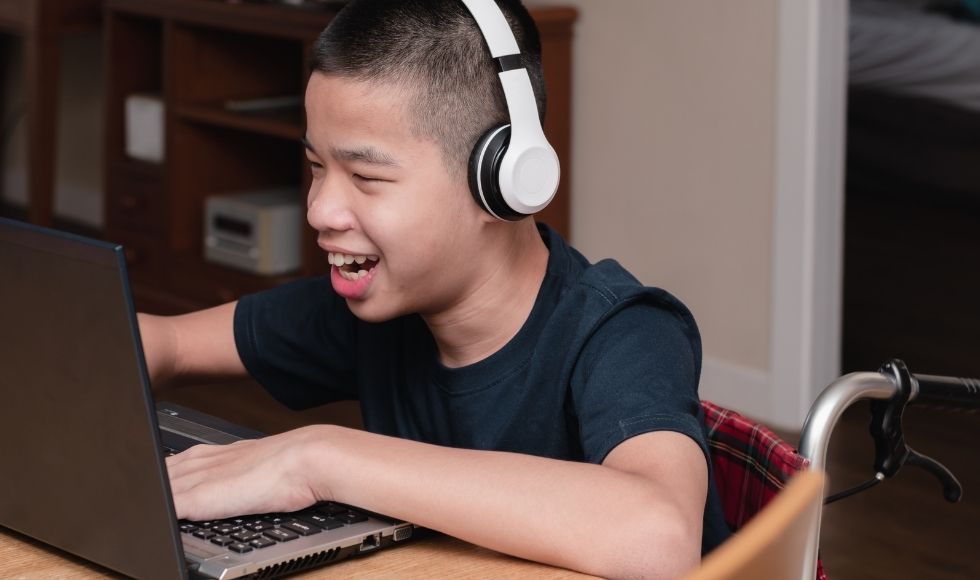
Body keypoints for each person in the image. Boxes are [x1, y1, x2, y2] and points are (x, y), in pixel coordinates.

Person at [141, 0, 730, 577]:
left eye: (366, 177)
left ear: (503, 179)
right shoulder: (373, 310)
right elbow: (165, 343)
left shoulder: (624, 333)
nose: (319, 209)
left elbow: (659, 539)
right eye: (317, 166)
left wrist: (319, 458)